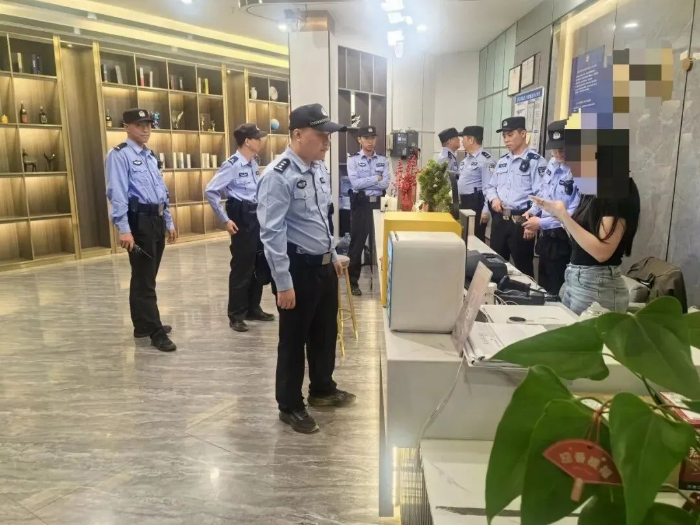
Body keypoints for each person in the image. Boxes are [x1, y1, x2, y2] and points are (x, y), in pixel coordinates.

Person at [257, 103, 356, 434]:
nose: (327, 141)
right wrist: (283, 283)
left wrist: (333, 253)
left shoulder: (318, 169)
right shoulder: (277, 175)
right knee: (293, 339)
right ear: (298, 134)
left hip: (324, 266)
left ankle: (322, 389)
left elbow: (322, 219)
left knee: (325, 333)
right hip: (297, 269)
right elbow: (272, 233)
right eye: (321, 135)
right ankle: (289, 405)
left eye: (329, 135)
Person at [105, 108, 177, 352]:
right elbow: (117, 193)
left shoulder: (150, 155)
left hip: (156, 219)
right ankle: (156, 331)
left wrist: (168, 221)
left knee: (145, 277)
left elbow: (161, 191)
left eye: (148, 125)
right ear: (126, 127)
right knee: (145, 280)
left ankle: (142, 325)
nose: (145, 129)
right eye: (139, 125)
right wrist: (124, 229)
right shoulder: (119, 155)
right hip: (139, 223)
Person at [531, 177, 640, 315]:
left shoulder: (617, 188)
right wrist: (560, 217)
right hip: (574, 278)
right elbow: (580, 241)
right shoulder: (591, 191)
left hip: (597, 284)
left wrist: (564, 216)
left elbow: (602, 253)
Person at [205, 123, 275, 333]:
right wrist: (225, 220)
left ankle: (253, 308)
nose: (261, 141)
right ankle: (236, 315)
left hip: (256, 216)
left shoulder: (253, 162)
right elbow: (211, 191)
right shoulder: (232, 164)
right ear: (247, 141)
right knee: (242, 267)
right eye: (257, 138)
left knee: (257, 263)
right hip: (241, 218)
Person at [484, 116, 547, 277]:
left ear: (523, 134)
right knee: (495, 265)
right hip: (500, 220)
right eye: (504, 136)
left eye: (510, 135)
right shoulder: (502, 161)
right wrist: (494, 199)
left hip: (521, 221)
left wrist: (531, 217)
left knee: (523, 268)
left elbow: (542, 194)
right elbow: (490, 187)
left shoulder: (536, 161)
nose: (506, 139)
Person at [523, 120, 581, 296]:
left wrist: (541, 223)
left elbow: (574, 213)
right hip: (546, 239)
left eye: (562, 148)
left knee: (559, 291)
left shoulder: (581, 170)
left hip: (565, 241)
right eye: (554, 148)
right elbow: (544, 192)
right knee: (543, 288)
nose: (558, 152)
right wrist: (533, 210)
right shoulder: (552, 163)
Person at [346, 125, 390, 296]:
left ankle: (385, 282)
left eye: (372, 138)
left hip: (379, 204)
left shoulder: (383, 160)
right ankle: (352, 282)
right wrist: (376, 178)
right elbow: (355, 184)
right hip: (361, 205)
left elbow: (385, 183)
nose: (370, 141)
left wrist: (370, 181)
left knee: (381, 243)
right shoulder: (353, 160)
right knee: (357, 244)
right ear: (360, 140)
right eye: (366, 138)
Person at [458, 125, 494, 242]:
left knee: (475, 237)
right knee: (464, 235)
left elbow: (489, 187)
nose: (461, 142)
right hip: (464, 202)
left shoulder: (486, 160)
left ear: (471, 140)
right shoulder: (466, 159)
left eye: (463, 138)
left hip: (476, 203)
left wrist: (486, 210)